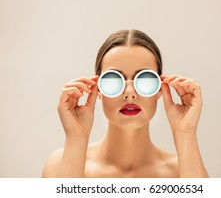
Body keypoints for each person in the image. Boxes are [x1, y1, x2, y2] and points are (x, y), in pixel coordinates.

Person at [42, 29, 209, 178]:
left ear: (160, 87)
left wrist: (185, 133)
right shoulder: (59, 165)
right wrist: (76, 138)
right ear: (98, 88)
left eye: (144, 79)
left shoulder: (183, 172)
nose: (129, 94)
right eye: (114, 80)